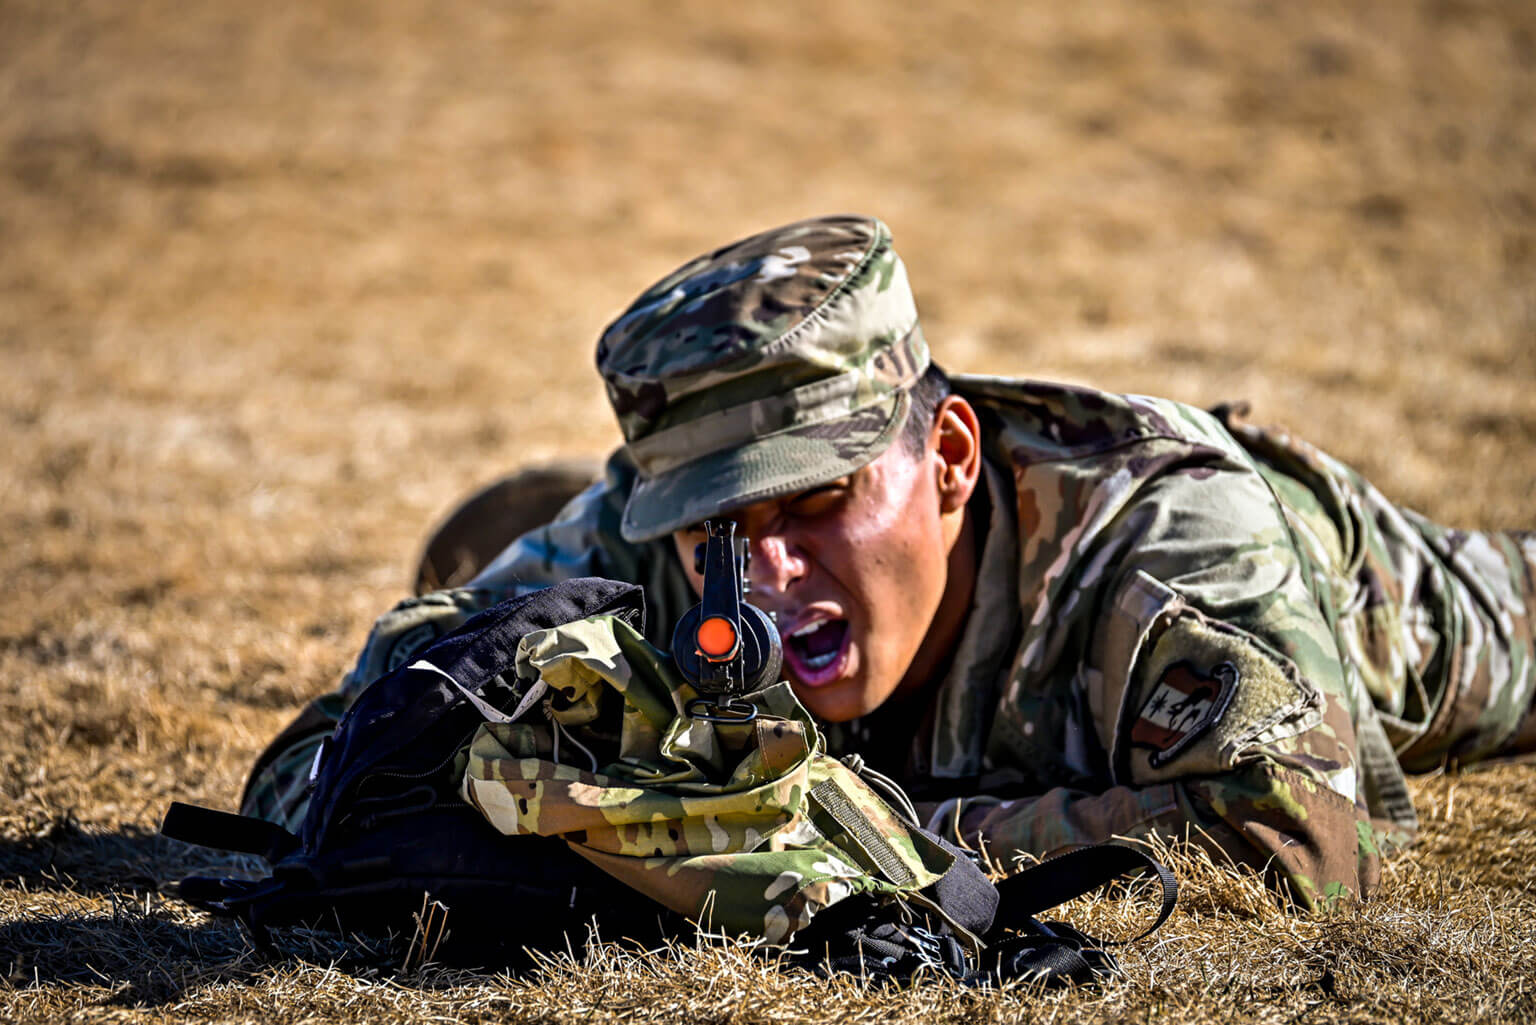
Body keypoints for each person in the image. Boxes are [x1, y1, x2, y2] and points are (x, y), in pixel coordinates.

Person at [241, 215, 1536, 910]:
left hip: (1415, 606)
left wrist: (860, 834)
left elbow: (1307, 840)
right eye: (715, 519)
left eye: (816, 500)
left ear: (952, 460)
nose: (766, 567)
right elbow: (322, 759)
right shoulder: (656, 538)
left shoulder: (1164, 542)